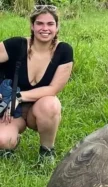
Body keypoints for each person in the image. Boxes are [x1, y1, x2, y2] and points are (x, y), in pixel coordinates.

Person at [0, 5, 73, 162]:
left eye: (50, 24)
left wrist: (18, 96)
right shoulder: (16, 45)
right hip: (10, 111)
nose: (44, 28)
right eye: (39, 23)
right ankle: (11, 142)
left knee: (51, 104)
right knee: (3, 140)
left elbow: (53, 88)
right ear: (32, 26)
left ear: (57, 26)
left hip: (38, 108)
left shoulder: (64, 51)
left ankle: (47, 151)